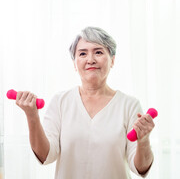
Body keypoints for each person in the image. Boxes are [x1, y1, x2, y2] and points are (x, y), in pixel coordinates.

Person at [16, 26, 155, 179]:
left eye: (98, 52)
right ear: (75, 63)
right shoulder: (60, 102)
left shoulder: (129, 105)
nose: (90, 60)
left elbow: (140, 168)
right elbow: (46, 156)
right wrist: (32, 116)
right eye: (82, 53)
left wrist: (143, 140)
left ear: (112, 60)